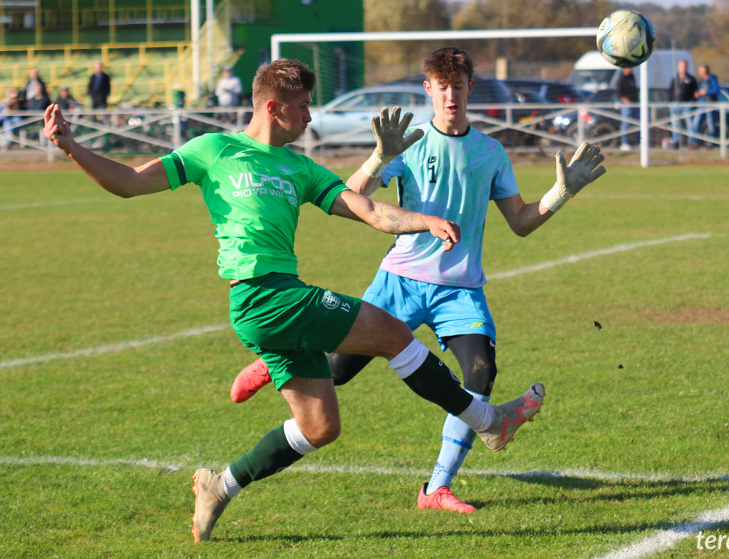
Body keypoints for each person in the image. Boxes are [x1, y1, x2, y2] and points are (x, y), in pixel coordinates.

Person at [42, 58, 555, 543]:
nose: (310, 115)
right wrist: (72, 147)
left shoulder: (299, 167)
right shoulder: (212, 150)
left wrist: (425, 221)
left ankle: (220, 485)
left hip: (277, 305)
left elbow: (372, 211)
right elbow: (130, 183)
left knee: (320, 427)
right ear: (273, 107)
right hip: (262, 296)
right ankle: (491, 421)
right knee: (393, 335)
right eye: (304, 106)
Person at [230, 48, 607, 514]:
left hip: (460, 288)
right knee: (338, 373)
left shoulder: (490, 152)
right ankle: (275, 361)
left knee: (481, 373)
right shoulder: (407, 144)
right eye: (441, 86)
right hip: (399, 282)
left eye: (459, 85)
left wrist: (559, 194)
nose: (451, 95)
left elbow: (521, 222)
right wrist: (379, 156)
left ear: (472, 88)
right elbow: (354, 195)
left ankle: (437, 489)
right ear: (428, 89)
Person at [667, 59, 697, 149]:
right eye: (681, 66)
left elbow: (695, 92)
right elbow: (671, 91)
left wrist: (691, 101)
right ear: (678, 67)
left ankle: (691, 142)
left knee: (689, 124)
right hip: (675, 104)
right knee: (675, 124)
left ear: (687, 67)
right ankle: (676, 141)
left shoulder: (691, 79)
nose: (683, 68)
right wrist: (671, 101)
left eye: (684, 66)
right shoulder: (675, 78)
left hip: (686, 105)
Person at [694, 64, 720, 147]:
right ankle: (695, 142)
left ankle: (711, 142)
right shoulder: (701, 80)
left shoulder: (712, 78)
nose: (700, 72)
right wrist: (698, 93)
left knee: (710, 123)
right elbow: (699, 89)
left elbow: (716, 89)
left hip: (709, 103)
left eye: (702, 71)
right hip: (701, 103)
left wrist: (706, 91)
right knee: (696, 122)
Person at [615, 66, 638, 151]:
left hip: (635, 104)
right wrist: (626, 100)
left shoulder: (632, 77)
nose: (631, 69)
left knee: (637, 123)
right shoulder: (621, 78)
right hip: (627, 105)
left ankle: (638, 142)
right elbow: (619, 93)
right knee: (626, 123)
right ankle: (624, 142)